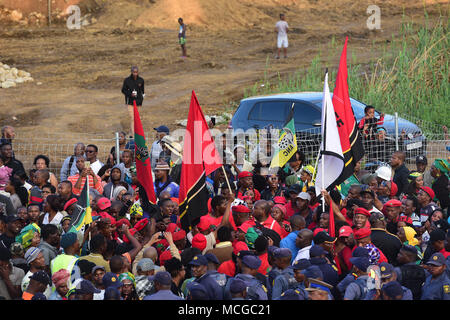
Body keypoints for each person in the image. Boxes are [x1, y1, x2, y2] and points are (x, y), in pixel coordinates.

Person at [122, 66, 145, 135]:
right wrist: (130, 94)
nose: (135, 74)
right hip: (130, 102)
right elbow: (123, 90)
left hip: (138, 102)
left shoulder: (141, 80)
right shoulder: (127, 80)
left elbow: (142, 91)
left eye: (136, 72)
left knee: (137, 118)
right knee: (132, 118)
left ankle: (133, 131)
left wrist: (141, 99)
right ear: (131, 72)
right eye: (134, 72)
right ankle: (133, 134)